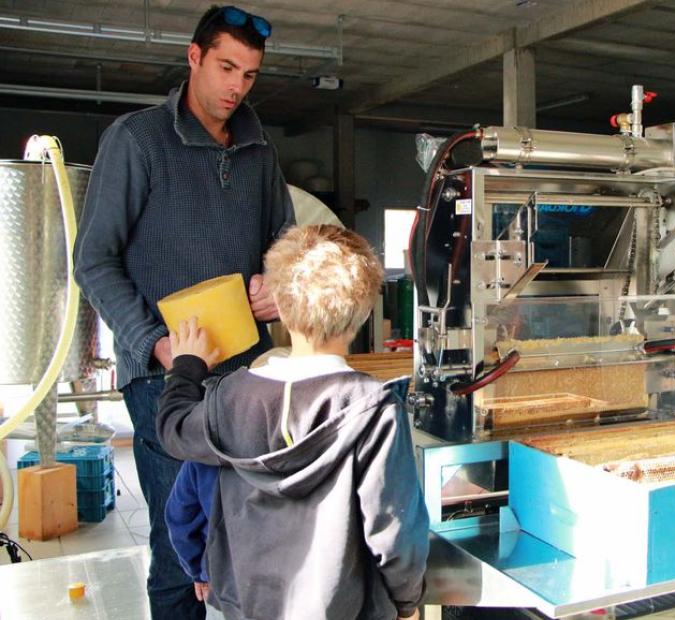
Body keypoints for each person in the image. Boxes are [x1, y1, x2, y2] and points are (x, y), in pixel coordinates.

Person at [73, 6, 294, 618]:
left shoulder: (258, 149)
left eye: (249, 75)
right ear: (194, 57)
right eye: (226, 67)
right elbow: (93, 259)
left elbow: (286, 243)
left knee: (253, 537)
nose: (235, 86)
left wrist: (279, 281)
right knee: (181, 545)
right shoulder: (138, 139)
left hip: (245, 377)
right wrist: (156, 344)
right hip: (164, 379)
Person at [155, 225, 429, 620]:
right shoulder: (374, 408)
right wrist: (406, 602)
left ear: (279, 305)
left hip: (250, 606)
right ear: (364, 311)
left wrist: (188, 366)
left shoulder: (229, 397)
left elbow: (173, 428)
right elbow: (393, 526)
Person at [165, 462, 223, 620]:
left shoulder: (202, 455)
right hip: (287, 584)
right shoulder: (293, 451)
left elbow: (180, 521)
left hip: (223, 583)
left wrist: (199, 571)